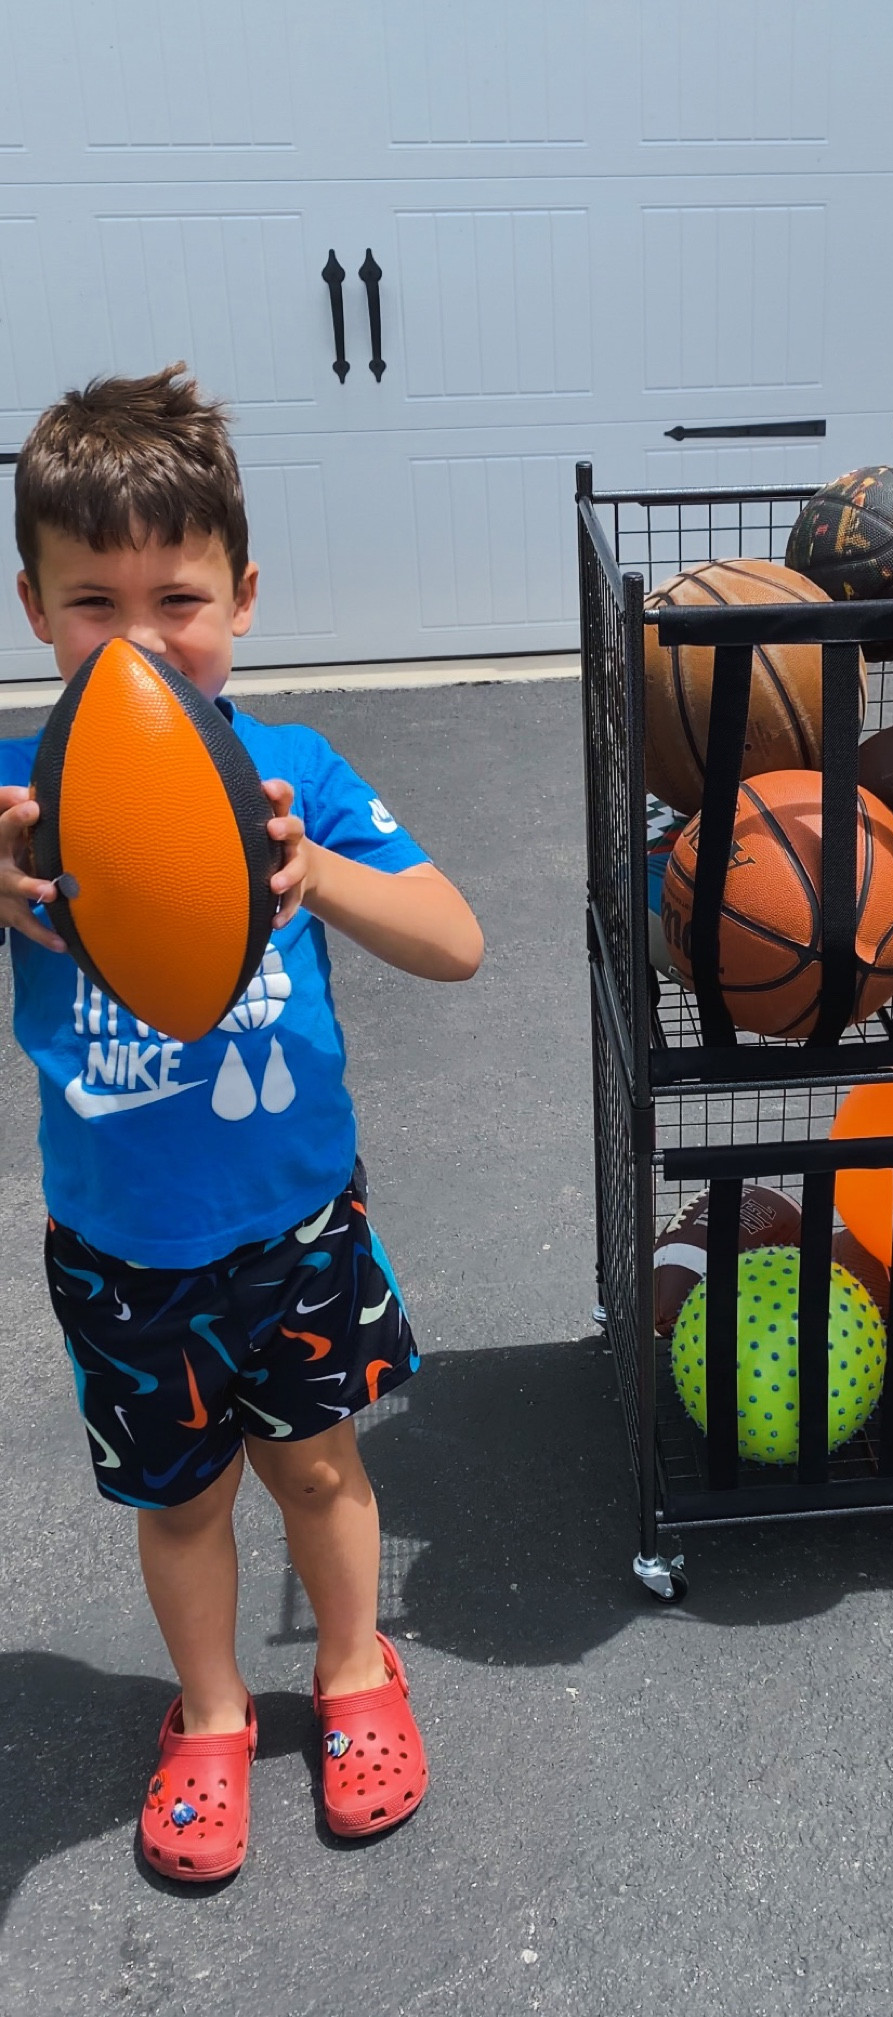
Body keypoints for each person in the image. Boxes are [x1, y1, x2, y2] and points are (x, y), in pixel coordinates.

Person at [0, 366, 484, 1881]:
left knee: (324, 1468)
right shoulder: (16, 798)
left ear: (246, 596)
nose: (139, 642)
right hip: (125, 1250)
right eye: (93, 602)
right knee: (181, 1503)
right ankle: (209, 1712)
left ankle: (352, 1671)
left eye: (178, 599)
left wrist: (314, 875)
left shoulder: (295, 774)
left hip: (294, 1228)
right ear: (32, 607)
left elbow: (454, 939)